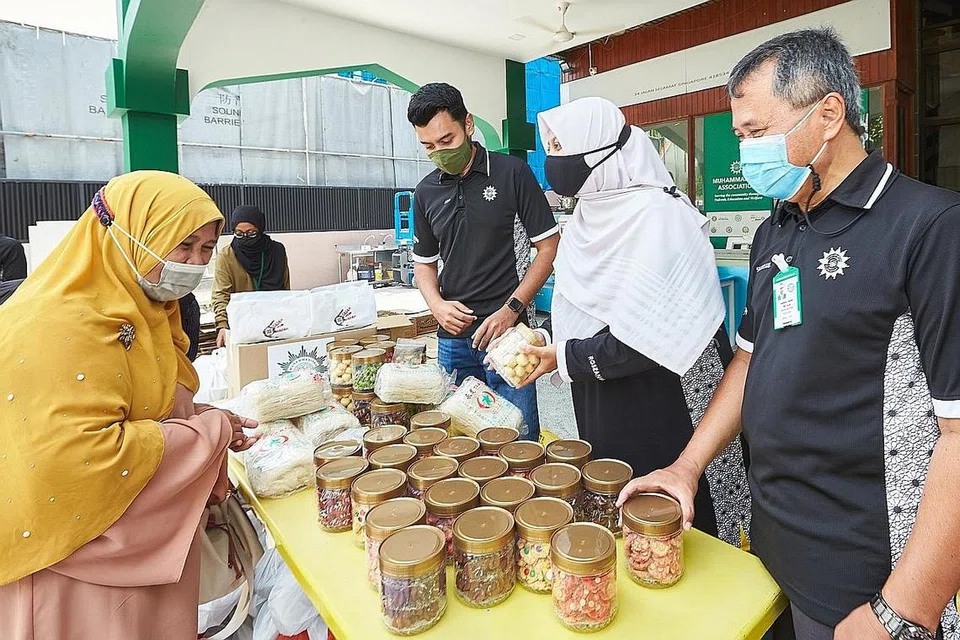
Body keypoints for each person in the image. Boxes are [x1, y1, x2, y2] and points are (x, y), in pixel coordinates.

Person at [619, 28, 960, 640]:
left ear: (828, 114)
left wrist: (905, 607)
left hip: (866, 575)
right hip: (771, 543)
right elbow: (750, 360)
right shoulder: (777, 228)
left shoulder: (929, 228)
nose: (745, 151)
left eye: (756, 132)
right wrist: (686, 467)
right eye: (739, 135)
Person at [0, 171, 258, 640]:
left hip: (133, 562)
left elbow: (141, 407)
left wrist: (200, 416)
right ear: (127, 234)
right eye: (182, 246)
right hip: (73, 568)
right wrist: (209, 433)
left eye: (206, 249)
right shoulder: (55, 325)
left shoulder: (149, 312)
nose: (195, 264)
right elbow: (78, 459)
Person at [514, 97, 750, 543]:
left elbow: (650, 336)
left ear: (600, 150)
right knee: (620, 489)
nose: (554, 161)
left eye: (562, 147)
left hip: (667, 391)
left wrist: (562, 357)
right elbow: (582, 307)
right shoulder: (587, 215)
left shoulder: (660, 217)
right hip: (602, 387)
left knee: (679, 509)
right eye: (551, 148)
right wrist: (546, 338)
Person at [407, 83, 560, 441]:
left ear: (468, 124)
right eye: (428, 146)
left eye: (446, 140)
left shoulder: (512, 173)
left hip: (509, 338)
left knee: (518, 442)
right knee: (459, 442)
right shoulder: (425, 192)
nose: (439, 152)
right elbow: (424, 264)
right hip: (453, 341)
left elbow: (549, 247)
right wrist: (437, 306)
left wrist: (511, 310)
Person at [212, 204, 290, 347]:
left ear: (260, 229)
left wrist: (288, 316)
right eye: (239, 233)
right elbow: (221, 294)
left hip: (275, 322)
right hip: (243, 325)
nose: (245, 238)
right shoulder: (226, 256)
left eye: (251, 233)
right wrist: (222, 325)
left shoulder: (277, 251)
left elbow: (285, 288)